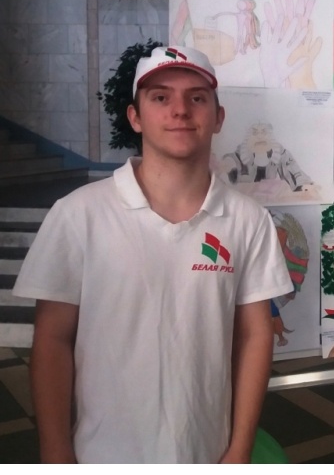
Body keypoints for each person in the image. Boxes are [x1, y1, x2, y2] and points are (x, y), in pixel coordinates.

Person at [13, 45, 293, 463]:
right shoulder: (79, 214)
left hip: (206, 450)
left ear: (218, 117)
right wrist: (55, 452)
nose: (180, 110)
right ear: (135, 117)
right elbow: (53, 339)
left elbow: (255, 336)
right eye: (161, 97)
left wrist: (239, 449)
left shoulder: (248, 220)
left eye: (197, 98)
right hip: (101, 453)